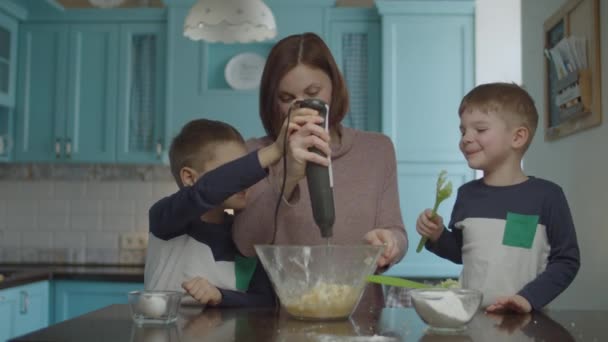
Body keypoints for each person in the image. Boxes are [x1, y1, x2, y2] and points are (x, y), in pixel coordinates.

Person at [231, 32, 408, 269]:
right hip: (281, 306)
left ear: (334, 86)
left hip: (363, 304)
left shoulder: (377, 150)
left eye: (313, 93)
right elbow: (245, 244)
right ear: (273, 101)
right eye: (287, 98)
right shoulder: (257, 154)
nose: (302, 106)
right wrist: (288, 178)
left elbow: (395, 230)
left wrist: (392, 242)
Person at [415, 83, 580, 313]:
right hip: (473, 318)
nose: (466, 138)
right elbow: (464, 254)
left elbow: (566, 261)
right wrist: (437, 236)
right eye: (463, 131)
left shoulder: (548, 196)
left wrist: (527, 299)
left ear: (518, 137)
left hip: (527, 322)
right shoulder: (466, 195)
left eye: (480, 130)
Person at [144, 117, 307, 307]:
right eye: (233, 170)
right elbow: (205, 191)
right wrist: (275, 151)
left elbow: (264, 302)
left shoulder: (245, 231)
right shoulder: (164, 218)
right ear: (189, 177)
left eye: (242, 168)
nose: (244, 180)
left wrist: (221, 296)